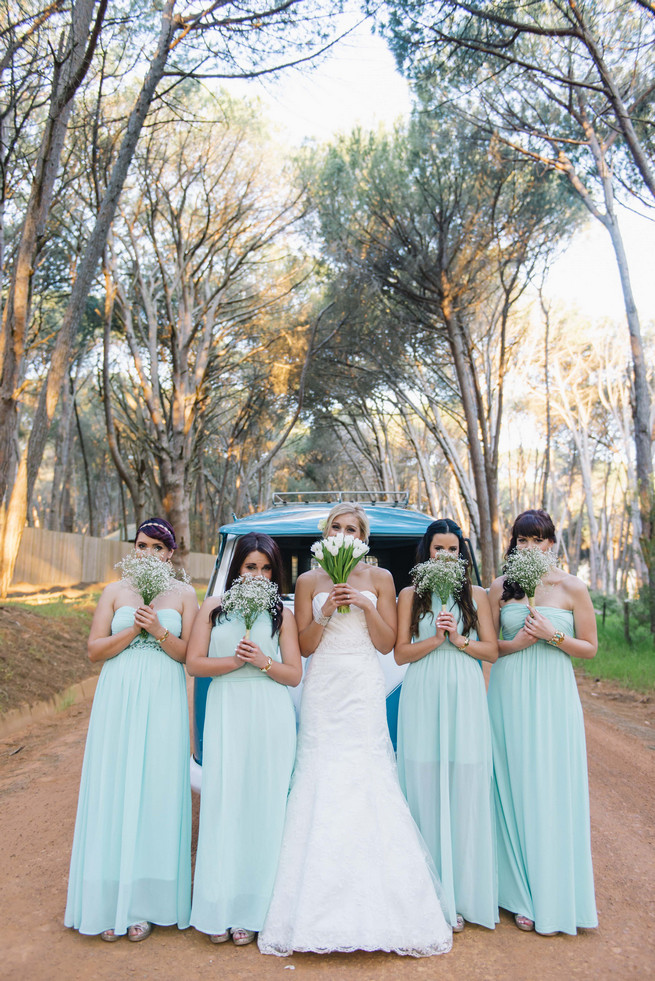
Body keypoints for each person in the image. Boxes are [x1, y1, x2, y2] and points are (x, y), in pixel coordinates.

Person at [258, 503, 453, 958]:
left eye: (351, 528)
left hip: (363, 684)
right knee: (320, 776)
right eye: (336, 527)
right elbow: (304, 647)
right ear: (326, 534)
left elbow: (387, 644)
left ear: (363, 539)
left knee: (368, 776)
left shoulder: (382, 580)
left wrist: (365, 605)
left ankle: (386, 905)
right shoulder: (308, 582)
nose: (343, 532)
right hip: (325, 684)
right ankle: (311, 906)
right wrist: (325, 611)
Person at [65, 518, 198, 942]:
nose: (148, 553)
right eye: (142, 545)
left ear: (170, 554)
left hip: (164, 696)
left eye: (158, 547)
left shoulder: (184, 595)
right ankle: (107, 898)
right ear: (134, 548)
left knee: (156, 789)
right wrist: (132, 629)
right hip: (118, 695)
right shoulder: (114, 591)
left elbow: (188, 657)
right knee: (115, 786)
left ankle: (146, 902)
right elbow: (94, 650)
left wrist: (159, 630)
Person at [187, 533, 301, 947]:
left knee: (264, 806)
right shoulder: (213, 609)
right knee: (225, 802)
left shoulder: (281, 613)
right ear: (237, 568)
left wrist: (263, 661)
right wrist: (234, 661)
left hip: (269, 713)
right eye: (250, 567)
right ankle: (219, 906)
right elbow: (194, 663)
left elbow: (294, 674)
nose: (258, 575)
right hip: (226, 710)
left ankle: (255, 912)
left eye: (266, 568)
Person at [487, 509, 598, 935]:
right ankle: (515, 892)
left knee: (551, 786)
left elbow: (588, 648)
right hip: (510, 693)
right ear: (513, 543)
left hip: (553, 696)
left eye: (538, 540)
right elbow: (487, 645)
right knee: (513, 784)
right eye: (522, 540)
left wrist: (553, 635)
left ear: (551, 544)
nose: (530, 547)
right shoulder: (500, 588)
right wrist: (515, 641)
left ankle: (553, 891)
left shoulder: (572, 587)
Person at [395, 518, 499, 932]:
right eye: (438, 549)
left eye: (453, 549)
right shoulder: (410, 594)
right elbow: (401, 653)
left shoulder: (475, 595)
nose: (445, 555)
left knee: (464, 782)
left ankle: (465, 893)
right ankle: (428, 893)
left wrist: (458, 640)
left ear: (462, 554)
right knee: (423, 782)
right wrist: (433, 641)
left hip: (464, 693)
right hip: (423, 690)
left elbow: (490, 651)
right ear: (427, 552)